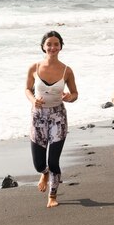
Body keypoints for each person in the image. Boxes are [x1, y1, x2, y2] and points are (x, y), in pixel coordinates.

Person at [25, 30, 78, 208]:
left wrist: (70, 97)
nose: (52, 47)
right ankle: (44, 173)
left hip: (58, 117)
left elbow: (75, 93)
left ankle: (52, 196)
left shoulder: (67, 70)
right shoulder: (34, 68)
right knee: (39, 164)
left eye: (56, 44)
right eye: (49, 44)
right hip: (38, 118)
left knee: (53, 161)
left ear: (61, 46)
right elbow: (27, 89)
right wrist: (33, 100)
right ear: (43, 46)